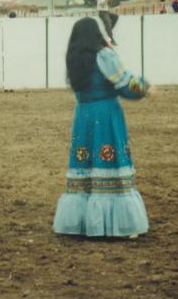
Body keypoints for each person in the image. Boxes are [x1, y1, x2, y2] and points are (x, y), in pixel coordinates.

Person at [52, 17, 150, 238]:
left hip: (83, 115)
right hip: (105, 114)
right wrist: (144, 86)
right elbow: (126, 84)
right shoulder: (104, 55)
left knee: (85, 164)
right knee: (110, 161)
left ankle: (80, 223)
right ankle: (118, 224)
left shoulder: (73, 60)